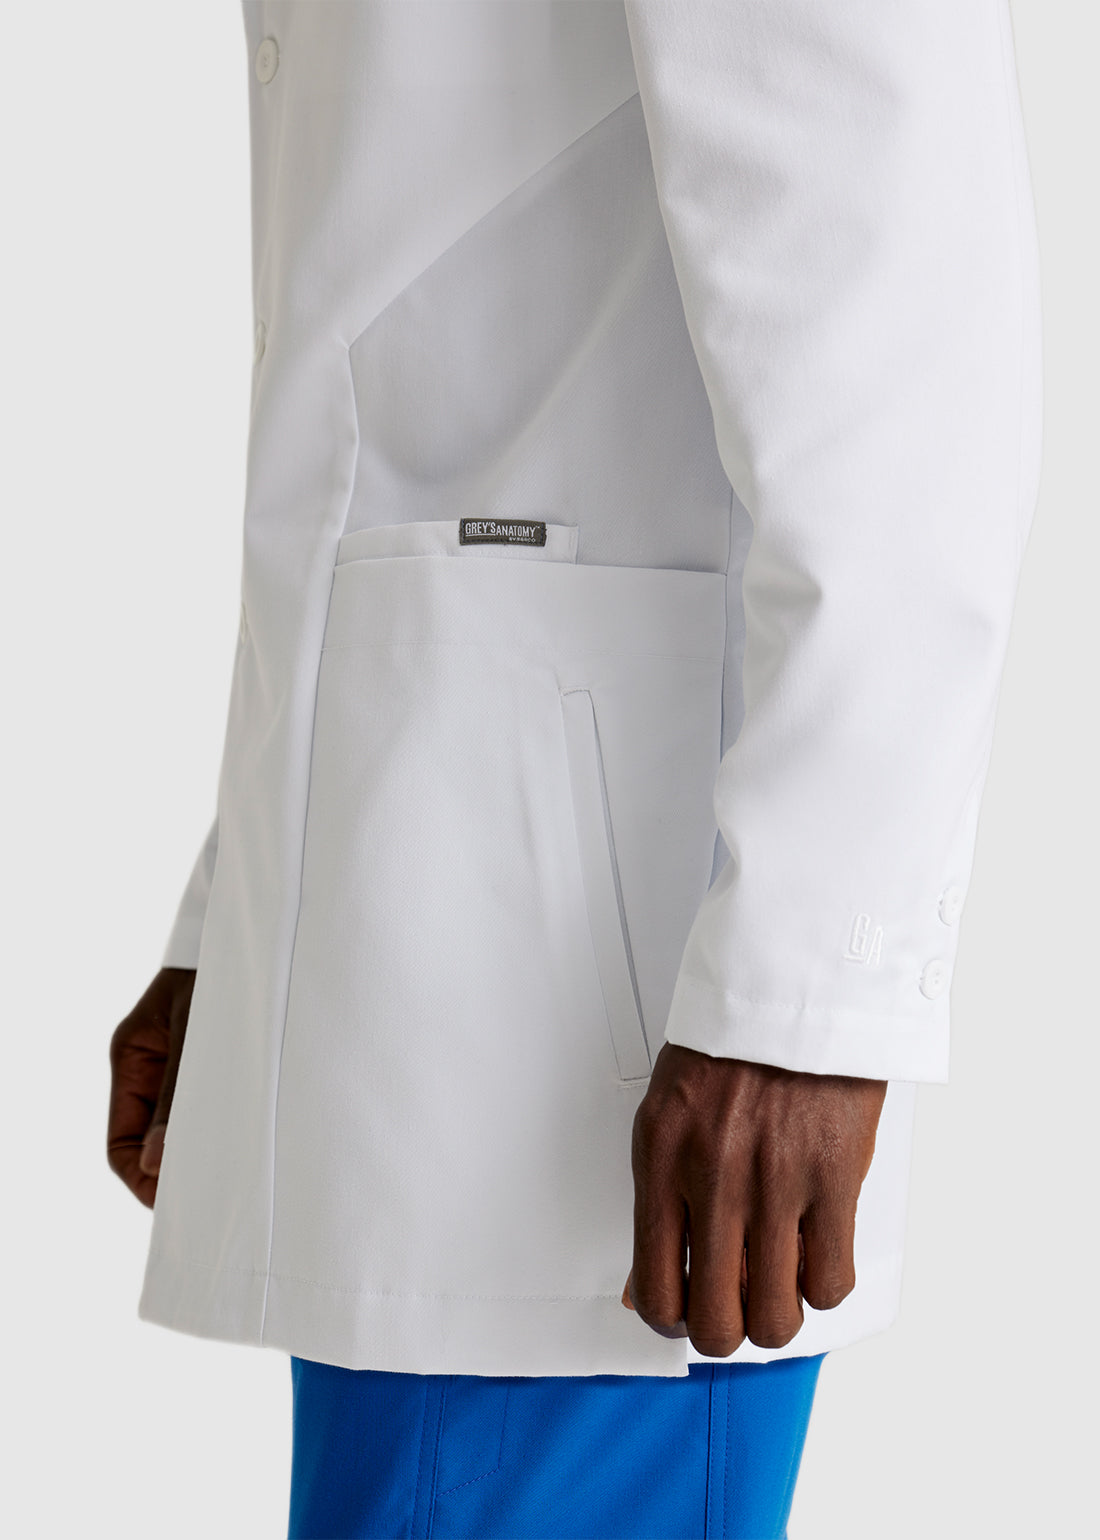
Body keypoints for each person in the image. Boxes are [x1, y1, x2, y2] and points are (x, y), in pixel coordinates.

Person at [106, 4, 1042, 1537]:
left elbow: (903, 312)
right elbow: (393, 353)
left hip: (618, 1067)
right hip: (418, 971)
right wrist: (250, 911)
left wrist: (808, 995)